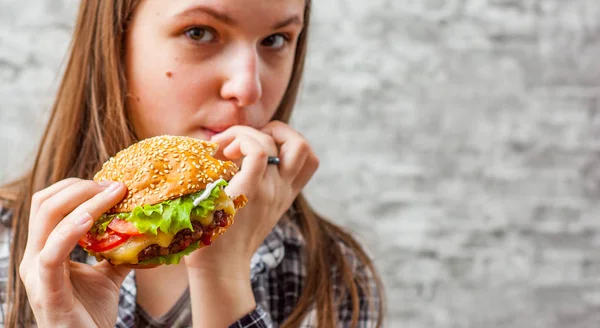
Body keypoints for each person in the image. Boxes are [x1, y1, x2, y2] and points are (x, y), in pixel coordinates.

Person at [0, 0, 385, 327]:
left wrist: (222, 278)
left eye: (275, 39)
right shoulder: (5, 257)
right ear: (114, 41)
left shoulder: (332, 277)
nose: (247, 88)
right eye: (199, 33)